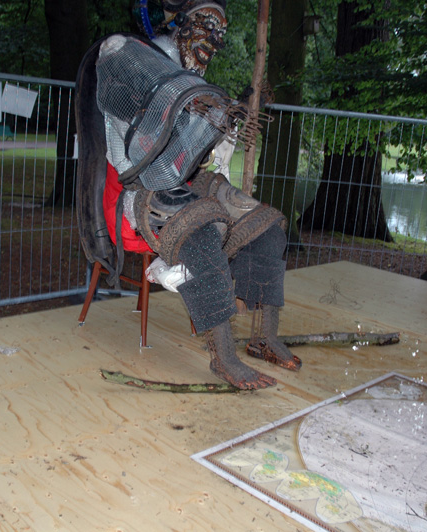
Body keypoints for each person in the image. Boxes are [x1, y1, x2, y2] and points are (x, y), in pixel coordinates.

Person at [75, 0, 300, 389]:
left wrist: (231, 116)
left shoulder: (191, 80)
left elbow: (200, 155)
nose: (213, 39)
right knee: (201, 232)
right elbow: (133, 152)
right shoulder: (127, 60)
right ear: (180, 24)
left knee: (266, 227)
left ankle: (265, 337)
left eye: (219, 32)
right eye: (205, 25)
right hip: (141, 189)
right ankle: (223, 357)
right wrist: (185, 109)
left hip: (191, 180)